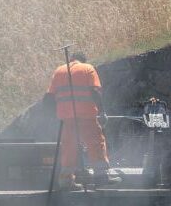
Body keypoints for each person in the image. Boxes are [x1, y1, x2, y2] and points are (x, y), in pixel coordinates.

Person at [44, 52, 119, 190]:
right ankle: (101, 178)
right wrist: (102, 111)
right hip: (86, 116)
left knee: (69, 147)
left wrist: (54, 116)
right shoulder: (87, 68)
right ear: (83, 60)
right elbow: (95, 91)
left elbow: (48, 97)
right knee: (95, 144)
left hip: (67, 118)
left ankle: (66, 181)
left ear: (71, 59)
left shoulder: (59, 71)